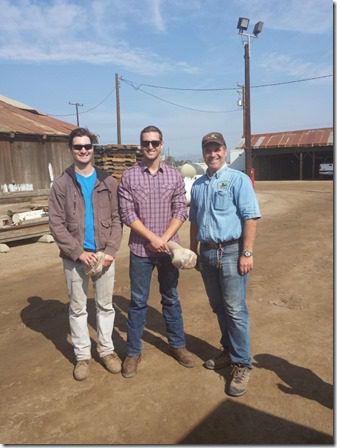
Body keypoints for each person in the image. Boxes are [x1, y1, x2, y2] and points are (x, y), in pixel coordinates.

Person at [118, 125, 195, 378]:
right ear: (141, 146)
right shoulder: (129, 176)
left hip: (168, 250)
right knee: (138, 301)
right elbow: (127, 214)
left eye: (154, 142)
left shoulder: (173, 176)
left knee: (170, 297)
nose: (150, 147)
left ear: (162, 145)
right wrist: (152, 238)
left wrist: (163, 240)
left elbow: (180, 211)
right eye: (146, 143)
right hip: (140, 249)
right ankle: (133, 351)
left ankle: (177, 345)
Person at [189, 132, 261, 397]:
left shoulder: (237, 180)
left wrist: (247, 253)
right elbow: (194, 221)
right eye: (208, 150)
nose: (213, 154)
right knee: (218, 307)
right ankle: (229, 351)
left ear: (225, 150)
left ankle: (242, 363)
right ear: (203, 153)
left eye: (217, 149)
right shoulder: (197, 185)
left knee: (235, 310)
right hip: (207, 254)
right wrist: (192, 250)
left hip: (232, 252)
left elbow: (250, 217)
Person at [48, 127, 122, 381]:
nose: (83, 150)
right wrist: (78, 253)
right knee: (78, 309)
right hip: (75, 258)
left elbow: (116, 219)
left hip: (103, 255)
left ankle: (107, 350)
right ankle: (82, 356)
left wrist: (110, 251)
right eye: (78, 146)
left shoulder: (107, 181)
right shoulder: (61, 184)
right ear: (71, 149)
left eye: (87, 146)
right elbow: (56, 224)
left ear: (93, 149)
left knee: (105, 306)